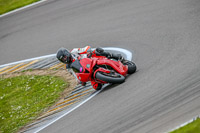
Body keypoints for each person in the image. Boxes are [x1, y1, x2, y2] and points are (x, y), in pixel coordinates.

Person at [56, 46, 124, 86]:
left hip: (90, 60)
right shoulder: (68, 67)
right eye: (62, 59)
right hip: (87, 71)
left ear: (66, 53)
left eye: (64, 57)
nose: (64, 59)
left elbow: (84, 49)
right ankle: (107, 77)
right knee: (97, 87)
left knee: (97, 51)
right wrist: (80, 81)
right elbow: (75, 75)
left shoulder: (74, 51)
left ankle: (113, 56)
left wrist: (87, 50)